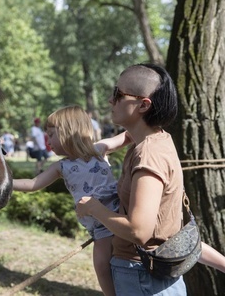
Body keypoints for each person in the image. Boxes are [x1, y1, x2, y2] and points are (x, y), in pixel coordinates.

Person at [76, 63, 225, 295]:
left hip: (142, 278)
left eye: (118, 94)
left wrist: (94, 208)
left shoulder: (148, 155)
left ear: (144, 105)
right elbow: (127, 135)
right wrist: (106, 145)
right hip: (151, 278)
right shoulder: (157, 140)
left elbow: (139, 231)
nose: (110, 100)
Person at [13, 106, 119, 296]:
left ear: (70, 132)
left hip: (120, 215)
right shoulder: (61, 166)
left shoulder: (99, 149)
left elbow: (127, 136)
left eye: (52, 134)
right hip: (101, 227)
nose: (48, 140)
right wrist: (6, 184)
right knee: (102, 268)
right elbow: (32, 184)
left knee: (105, 265)